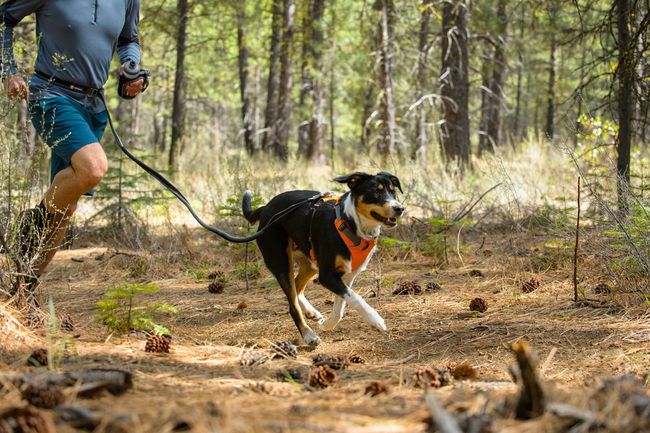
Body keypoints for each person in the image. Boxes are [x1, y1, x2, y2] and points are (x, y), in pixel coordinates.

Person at [0, 0, 146, 288]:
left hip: (94, 104)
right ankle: (31, 224)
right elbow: (4, 19)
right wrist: (8, 71)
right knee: (93, 168)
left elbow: (129, 40)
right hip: (51, 94)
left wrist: (132, 69)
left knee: (65, 208)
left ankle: (24, 288)